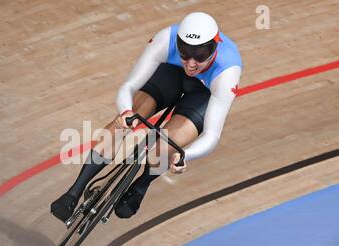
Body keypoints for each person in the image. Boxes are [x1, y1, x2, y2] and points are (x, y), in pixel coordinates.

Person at [51, 12, 242, 223]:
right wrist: (125, 113)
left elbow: (212, 135)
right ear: (178, 43)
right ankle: (73, 192)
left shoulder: (227, 71)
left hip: (203, 94)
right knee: (125, 122)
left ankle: (141, 184)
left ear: (214, 48)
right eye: (185, 52)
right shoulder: (165, 40)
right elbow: (128, 86)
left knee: (166, 147)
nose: (191, 63)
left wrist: (184, 156)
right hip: (170, 75)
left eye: (200, 55)